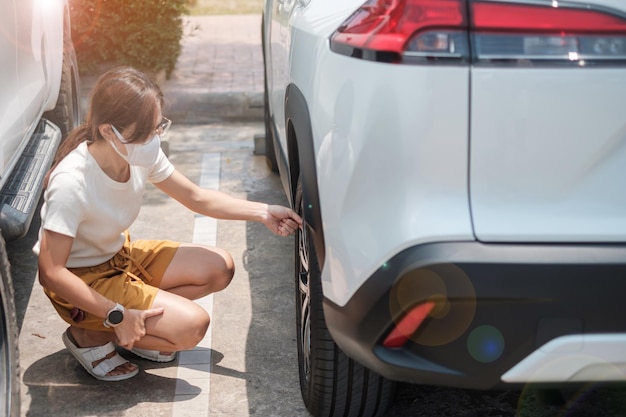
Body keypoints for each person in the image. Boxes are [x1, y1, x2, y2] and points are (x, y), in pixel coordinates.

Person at [33, 66, 302, 381]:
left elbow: (197, 197)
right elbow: (51, 272)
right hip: (82, 281)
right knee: (192, 327)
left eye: (158, 126)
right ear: (108, 131)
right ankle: (90, 335)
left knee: (219, 267)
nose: (154, 138)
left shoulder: (135, 154)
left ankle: (137, 321)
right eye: (147, 131)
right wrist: (116, 315)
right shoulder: (72, 181)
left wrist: (263, 211)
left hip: (120, 257)